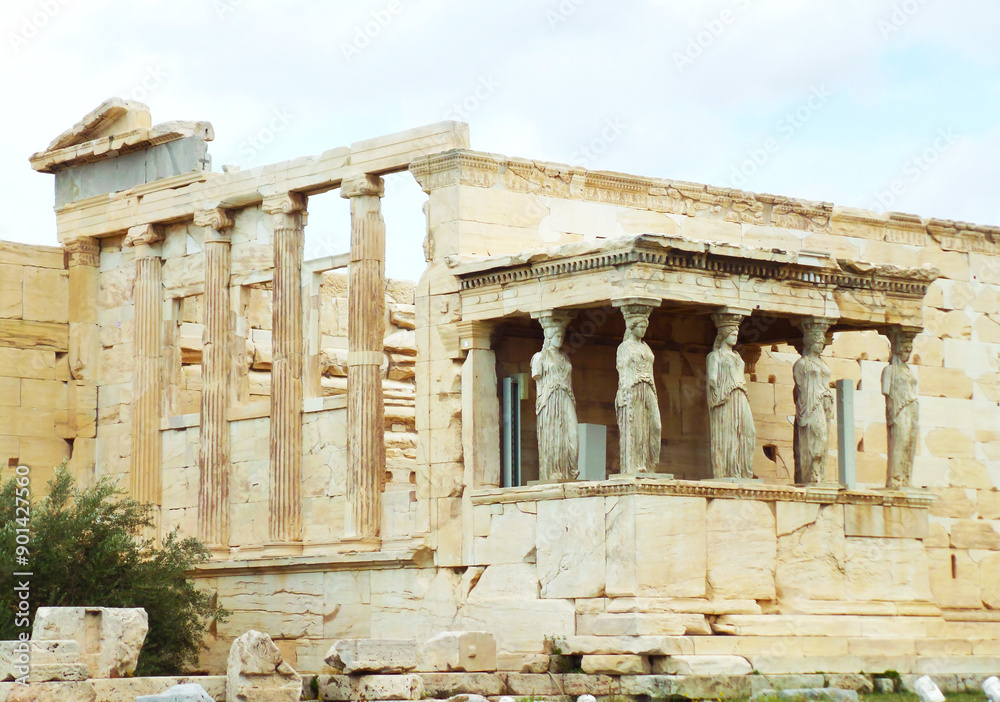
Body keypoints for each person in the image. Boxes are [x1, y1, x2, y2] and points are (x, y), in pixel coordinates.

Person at [530, 314, 580, 481]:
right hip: (549, 400)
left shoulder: (565, 357)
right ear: (549, 337)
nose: (560, 339)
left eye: (562, 336)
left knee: (572, 434)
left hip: (566, 397)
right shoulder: (540, 357)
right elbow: (538, 380)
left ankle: (570, 470)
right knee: (554, 434)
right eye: (557, 336)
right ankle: (553, 472)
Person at [707, 315, 756, 479]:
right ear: (724, 334)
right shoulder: (715, 356)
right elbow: (712, 380)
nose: (735, 336)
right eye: (732, 333)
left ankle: (744, 471)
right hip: (726, 398)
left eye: (736, 333)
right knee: (730, 433)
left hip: (741, 396)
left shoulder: (738, 356)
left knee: (748, 432)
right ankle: (729, 471)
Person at [616, 305, 661, 474]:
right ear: (632, 327)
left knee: (654, 426)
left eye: (645, 327)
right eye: (640, 327)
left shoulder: (646, 347)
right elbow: (622, 370)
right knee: (635, 426)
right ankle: (635, 465)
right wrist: (625, 394)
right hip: (632, 388)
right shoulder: (625, 347)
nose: (643, 330)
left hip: (648, 388)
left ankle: (649, 464)